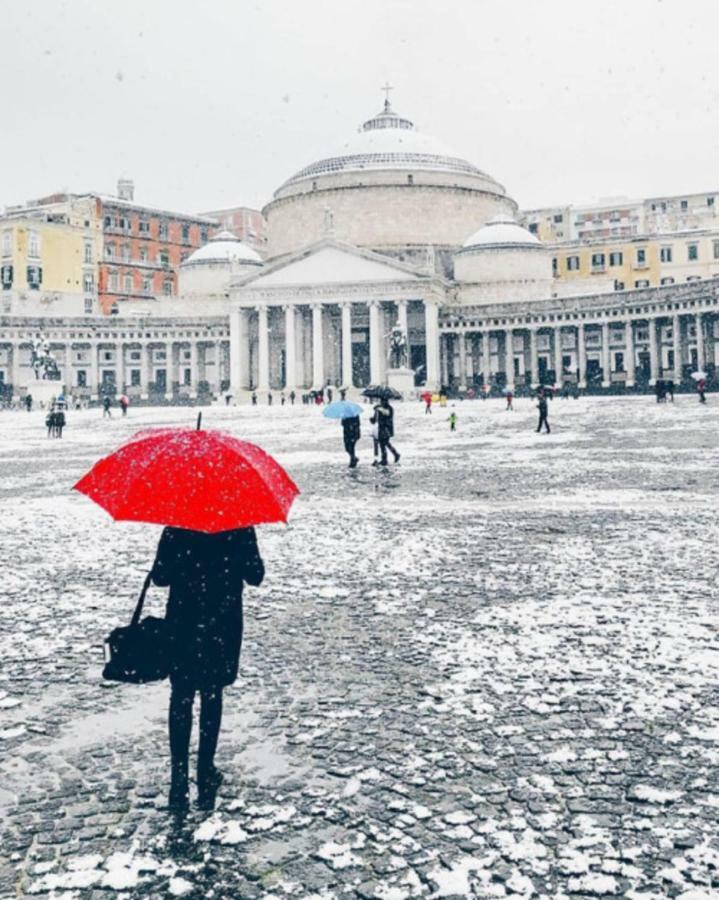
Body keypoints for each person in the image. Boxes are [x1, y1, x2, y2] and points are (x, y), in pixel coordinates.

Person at [151, 526, 265, 812]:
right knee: (212, 694)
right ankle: (205, 768)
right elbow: (256, 575)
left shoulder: (176, 526)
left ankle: (179, 776)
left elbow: (160, 577)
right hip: (221, 621)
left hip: (183, 621)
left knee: (181, 695)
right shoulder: (240, 527)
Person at [371, 397, 400, 466]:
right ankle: (394, 454)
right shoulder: (378, 408)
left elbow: (388, 416)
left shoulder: (389, 408)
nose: (382, 402)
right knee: (385, 443)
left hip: (386, 428)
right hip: (380, 428)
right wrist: (372, 419)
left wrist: (381, 411)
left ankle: (385, 459)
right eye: (381, 401)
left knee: (383, 443)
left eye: (383, 401)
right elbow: (374, 419)